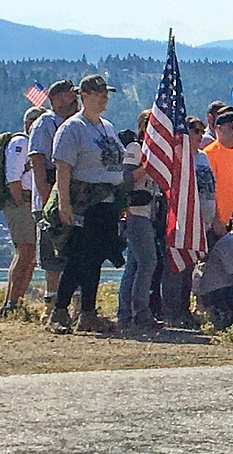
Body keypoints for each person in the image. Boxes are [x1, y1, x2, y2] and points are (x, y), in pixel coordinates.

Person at [44, 74, 126, 335]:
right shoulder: (72, 128)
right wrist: (64, 204)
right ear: (84, 96)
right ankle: (60, 310)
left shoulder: (107, 127)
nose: (104, 98)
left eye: (106, 94)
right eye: (99, 93)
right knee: (80, 257)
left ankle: (87, 313)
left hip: (106, 202)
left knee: (94, 259)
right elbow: (63, 169)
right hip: (83, 202)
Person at [28, 78, 80, 305]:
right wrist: (50, 201)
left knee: (73, 252)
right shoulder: (45, 123)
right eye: (71, 95)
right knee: (52, 256)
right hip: (50, 197)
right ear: (57, 99)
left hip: (72, 198)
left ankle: (75, 301)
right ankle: (52, 303)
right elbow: (38, 164)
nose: (75, 99)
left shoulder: (77, 123)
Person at [161, 116, 217, 326]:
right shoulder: (178, 157)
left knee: (191, 268)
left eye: (202, 131)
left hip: (203, 221)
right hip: (182, 221)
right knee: (176, 268)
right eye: (195, 131)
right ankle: (171, 311)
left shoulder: (203, 157)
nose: (199, 135)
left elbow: (212, 188)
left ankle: (185, 309)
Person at [117, 110, 162, 330]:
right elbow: (125, 179)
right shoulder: (136, 149)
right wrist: (146, 168)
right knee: (148, 262)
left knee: (134, 264)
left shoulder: (157, 152)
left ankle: (126, 312)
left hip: (148, 212)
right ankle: (140, 310)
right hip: (136, 212)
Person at [0, 106, 44, 316]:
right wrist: (20, 203)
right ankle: (10, 302)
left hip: (29, 201)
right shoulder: (20, 143)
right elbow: (13, 178)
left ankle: (16, 301)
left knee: (31, 254)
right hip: (21, 201)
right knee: (24, 250)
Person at [202, 109, 233, 230]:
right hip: (219, 223)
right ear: (218, 129)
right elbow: (208, 191)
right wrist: (216, 220)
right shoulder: (208, 154)